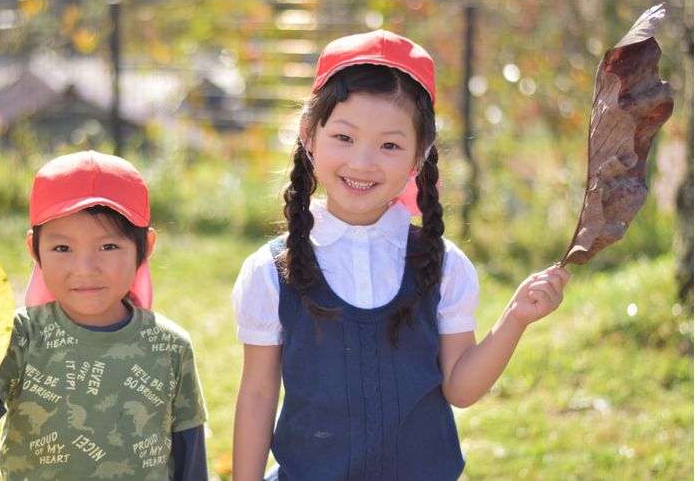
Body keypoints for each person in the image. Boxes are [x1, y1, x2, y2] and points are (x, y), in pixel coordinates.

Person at [231, 30, 570, 481]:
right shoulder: (270, 272)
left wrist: (515, 318)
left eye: (390, 145)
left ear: (419, 156)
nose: (363, 162)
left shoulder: (443, 266)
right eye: (344, 137)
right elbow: (256, 396)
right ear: (309, 135)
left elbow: (460, 388)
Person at [0, 150, 208, 480]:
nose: (85, 269)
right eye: (62, 248)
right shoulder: (20, 336)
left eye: (108, 247)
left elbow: (190, 460)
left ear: (146, 246)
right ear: (34, 249)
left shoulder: (170, 347)